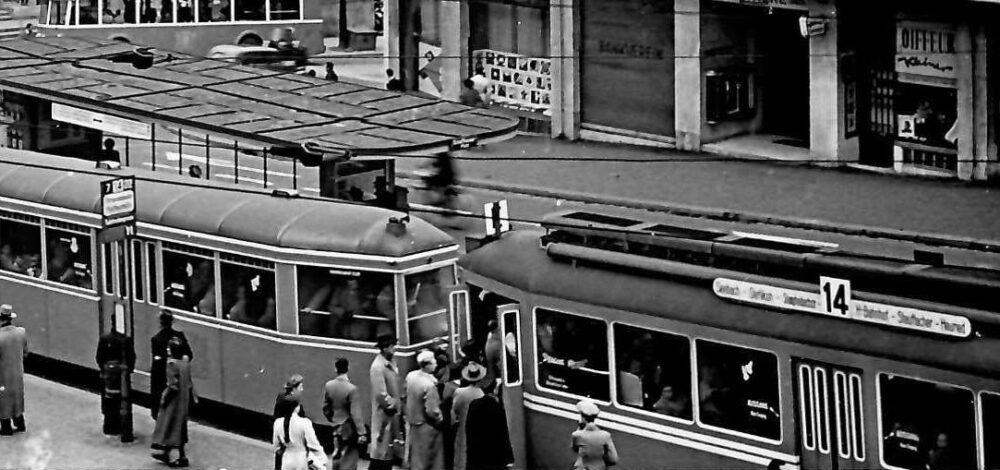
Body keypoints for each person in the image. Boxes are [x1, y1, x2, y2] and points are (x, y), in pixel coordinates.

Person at [151, 337, 198, 468]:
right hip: (184, 399)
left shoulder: (171, 364)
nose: (167, 350)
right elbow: (188, 383)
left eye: (169, 347)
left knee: (168, 426)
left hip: (173, 402)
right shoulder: (185, 362)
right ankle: (179, 455)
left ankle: (168, 452)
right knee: (180, 428)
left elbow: (173, 385)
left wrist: (164, 399)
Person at [323, 358, 368, 470]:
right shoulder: (352, 389)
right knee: (349, 458)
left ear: (335, 369)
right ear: (348, 368)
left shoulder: (329, 385)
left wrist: (332, 419)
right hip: (349, 428)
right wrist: (362, 432)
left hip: (335, 425)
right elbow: (355, 413)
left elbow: (326, 407)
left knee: (336, 453)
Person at [96, 317, 136, 439]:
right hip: (121, 378)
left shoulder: (104, 339)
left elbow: (99, 357)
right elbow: (131, 358)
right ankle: (124, 428)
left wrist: (104, 370)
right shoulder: (126, 340)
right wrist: (127, 371)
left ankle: (109, 427)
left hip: (109, 377)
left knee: (109, 402)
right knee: (123, 403)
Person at [405, 350, 445, 470]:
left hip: (413, 421)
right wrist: (440, 419)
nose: (436, 365)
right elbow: (432, 411)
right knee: (430, 459)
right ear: (426, 365)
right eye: (434, 363)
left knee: (416, 457)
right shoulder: (429, 385)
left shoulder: (410, 376)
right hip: (427, 425)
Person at [151, 310, 193, 420]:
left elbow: (157, 365)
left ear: (161, 322)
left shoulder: (157, 339)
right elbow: (189, 355)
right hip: (181, 379)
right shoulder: (179, 336)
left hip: (164, 380)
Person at [369, 334, 402, 470]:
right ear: (384, 349)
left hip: (391, 413)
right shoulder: (378, 367)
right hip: (384, 415)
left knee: (386, 452)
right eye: (391, 346)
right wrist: (394, 404)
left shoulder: (391, 362)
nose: (394, 348)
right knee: (381, 452)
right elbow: (381, 394)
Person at [465, 379, 513, 470]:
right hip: (495, 459)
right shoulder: (498, 409)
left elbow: (469, 431)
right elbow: (503, 435)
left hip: (477, 457)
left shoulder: (474, 404)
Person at [451, 363, 486, 470]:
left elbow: (454, 412)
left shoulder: (459, 392)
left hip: (462, 427)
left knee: (461, 455)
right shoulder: (481, 395)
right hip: (477, 430)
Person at [273, 400, 327, 470]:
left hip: (286, 459)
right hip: (301, 459)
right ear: (297, 408)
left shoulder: (278, 422)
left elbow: (276, 446)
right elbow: (313, 444)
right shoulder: (305, 422)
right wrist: (322, 459)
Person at [0, 305, 28, 436]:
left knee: (3, 400)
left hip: (2, 374)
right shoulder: (21, 332)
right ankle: (20, 423)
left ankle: (6, 427)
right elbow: (26, 352)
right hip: (18, 372)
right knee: (17, 397)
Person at [570, 399, 618, 470]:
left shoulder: (577, 435)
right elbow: (613, 459)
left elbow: (575, 449)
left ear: (582, 417)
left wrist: (580, 427)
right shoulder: (605, 436)